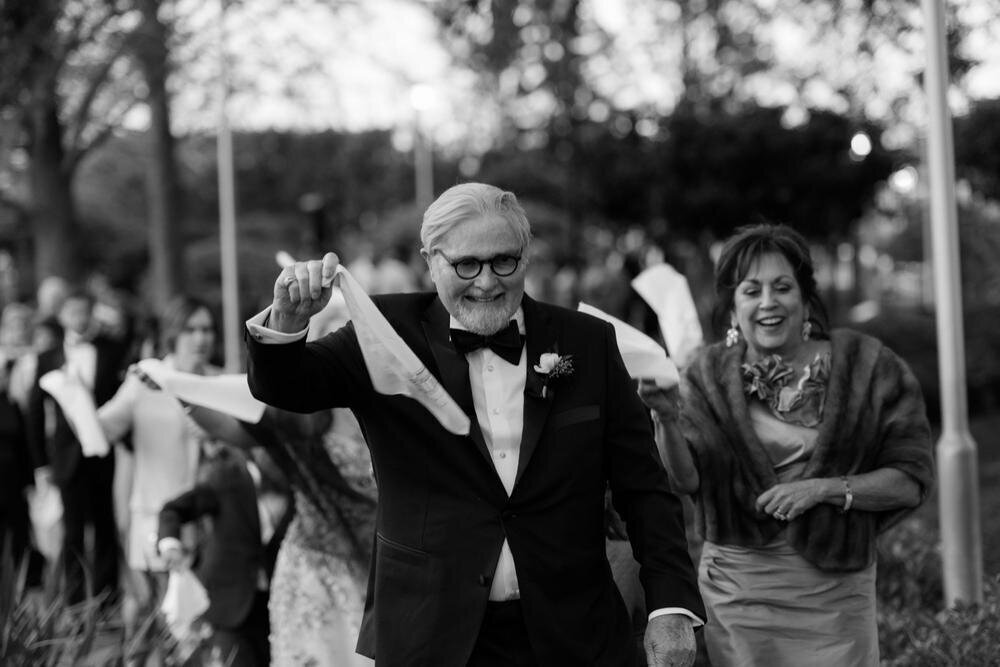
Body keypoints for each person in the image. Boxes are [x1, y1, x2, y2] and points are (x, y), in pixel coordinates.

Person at [244, 182, 705, 666]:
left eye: (503, 260)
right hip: (430, 633)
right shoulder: (385, 331)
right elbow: (285, 387)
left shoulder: (588, 343)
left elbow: (645, 487)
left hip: (573, 633)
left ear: (526, 257)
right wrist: (287, 322)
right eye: (466, 264)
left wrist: (670, 605)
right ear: (430, 260)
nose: (486, 282)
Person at [639, 223, 935, 666]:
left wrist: (826, 488)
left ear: (805, 296)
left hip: (837, 591)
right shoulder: (706, 374)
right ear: (734, 304)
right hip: (740, 591)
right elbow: (686, 480)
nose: (767, 302)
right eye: (751, 290)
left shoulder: (868, 367)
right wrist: (664, 415)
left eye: (782, 287)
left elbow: (910, 480)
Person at [97, 296, 222, 633]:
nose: (201, 338)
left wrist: (215, 436)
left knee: (200, 620)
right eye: (191, 329)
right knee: (155, 617)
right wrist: (76, 397)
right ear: (173, 334)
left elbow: (241, 454)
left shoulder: (220, 382)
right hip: (155, 517)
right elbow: (100, 431)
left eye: (207, 329)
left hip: (209, 520)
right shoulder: (146, 380)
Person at [26, 288, 130, 603]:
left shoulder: (112, 351)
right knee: (72, 531)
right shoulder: (48, 357)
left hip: (101, 451)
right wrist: (41, 463)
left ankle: (106, 597)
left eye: (84, 311)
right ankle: (73, 600)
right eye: (72, 312)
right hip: (66, 456)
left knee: (104, 524)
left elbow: (122, 401)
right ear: (62, 317)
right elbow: (34, 412)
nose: (79, 318)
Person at [158, 443, 293, 666]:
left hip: (277, 605)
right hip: (230, 602)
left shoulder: (298, 486)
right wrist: (170, 544)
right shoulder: (228, 479)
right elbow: (174, 509)